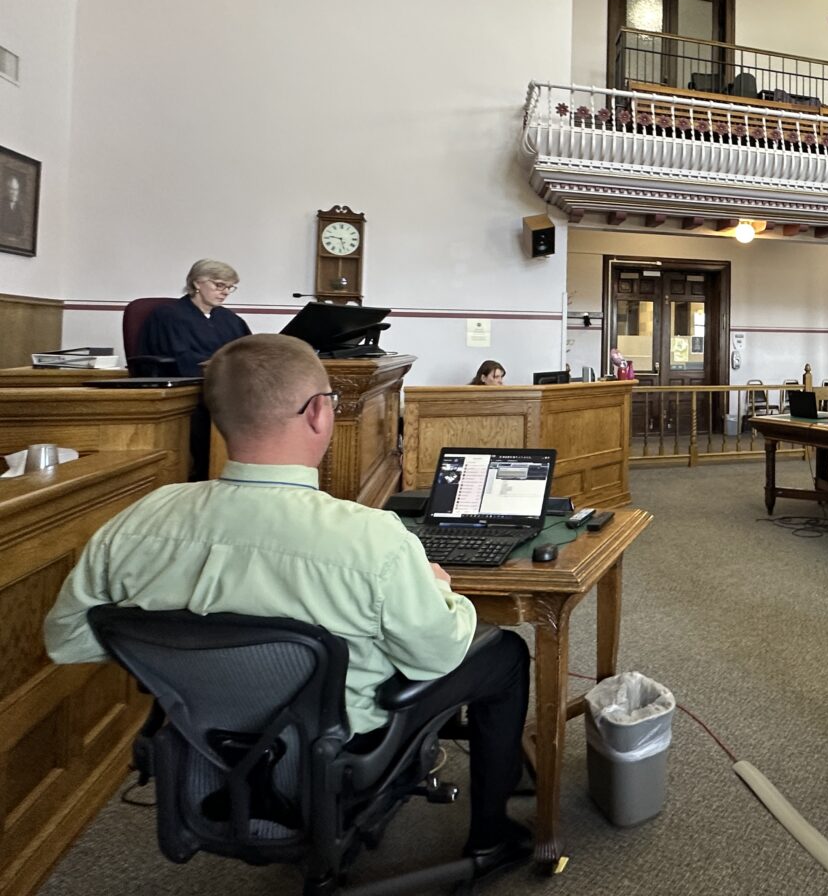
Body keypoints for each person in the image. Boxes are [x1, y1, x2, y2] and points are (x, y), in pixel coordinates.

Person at [43, 334, 534, 881]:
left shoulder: (137, 521)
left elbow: (70, 639)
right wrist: (443, 591)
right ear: (320, 412)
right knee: (506, 654)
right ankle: (492, 838)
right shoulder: (371, 538)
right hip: (345, 744)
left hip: (200, 745)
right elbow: (437, 655)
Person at [138, 259, 252, 377]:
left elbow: (248, 351)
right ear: (197, 283)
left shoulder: (230, 319)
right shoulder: (168, 316)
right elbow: (179, 359)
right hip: (190, 384)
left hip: (229, 381)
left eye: (230, 287)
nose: (226, 292)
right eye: (220, 285)